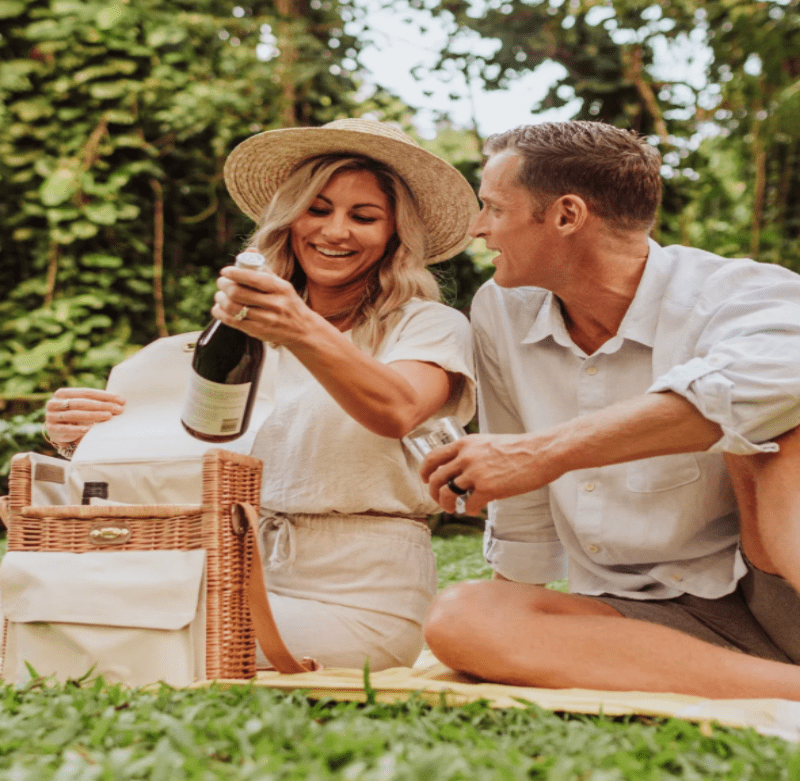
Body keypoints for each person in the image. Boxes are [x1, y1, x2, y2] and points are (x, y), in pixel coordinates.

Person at [43, 118, 478, 671]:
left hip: (358, 597)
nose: (336, 230)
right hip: (223, 572)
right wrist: (84, 438)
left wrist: (297, 324)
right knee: (55, 615)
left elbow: (396, 409)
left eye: (363, 216)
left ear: (396, 234)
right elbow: (178, 457)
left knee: (129, 638)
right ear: (289, 218)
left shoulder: (429, 326)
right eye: (317, 209)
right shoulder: (238, 339)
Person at [419, 120, 800, 700]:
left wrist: (543, 453)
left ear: (566, 216)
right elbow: (517, 489)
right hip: (643, 620)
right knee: (461, 617)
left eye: (494, 208)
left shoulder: (740, 292)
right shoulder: (501, 308)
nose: (479, 228)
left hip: (774, 585)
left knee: (779, 426)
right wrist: (511, 628)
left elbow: (764, 382)